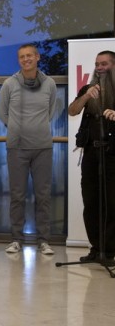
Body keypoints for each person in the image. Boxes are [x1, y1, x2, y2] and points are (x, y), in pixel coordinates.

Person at [0, 44, 57, 255]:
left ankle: (44, 241)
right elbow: (3, 113)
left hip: (42, 147)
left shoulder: (49, 83)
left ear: (37, 57)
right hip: (17, 147)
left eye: (29, 55)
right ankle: (16, 239)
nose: (26, 59)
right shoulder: (9, 84)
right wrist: (18, 128)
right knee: (17, 196)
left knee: (43, 196)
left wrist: (36, 127)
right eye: (22, 57)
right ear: (19, 60)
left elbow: (51, 112)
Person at [68, 50, 115, 261]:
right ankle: (96, 249)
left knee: (111, 203)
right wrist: (86, 95)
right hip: (90, 153)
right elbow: (72, 111)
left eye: (104, 64)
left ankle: (109, 251)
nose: (99, 67)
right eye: (97, 64)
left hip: (112, 154)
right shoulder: (88, 89)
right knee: (91, 202)